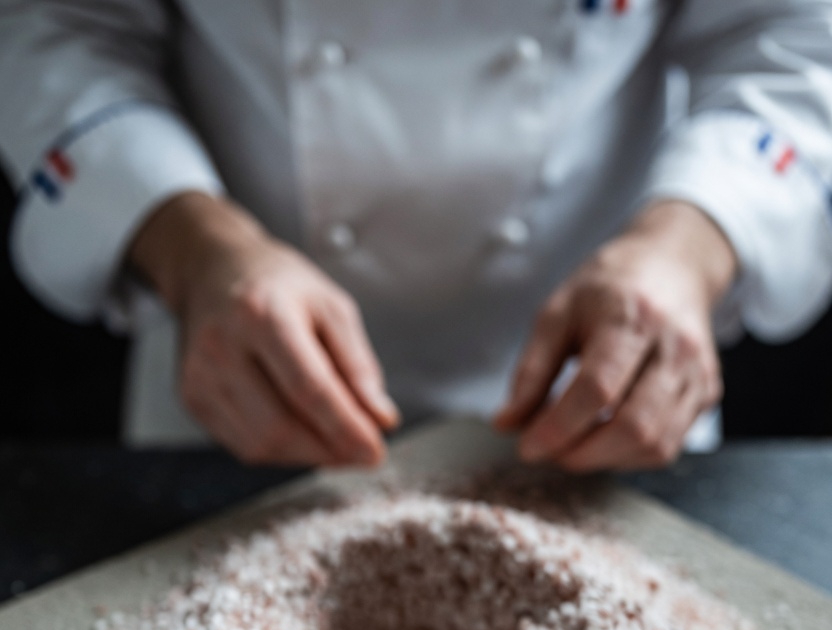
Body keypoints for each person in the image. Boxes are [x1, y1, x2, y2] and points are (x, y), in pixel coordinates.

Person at [1, 2, 831, 472]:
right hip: (237, 377)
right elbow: (56, 28)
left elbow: (793, 39)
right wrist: (193, 247)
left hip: (606, 386)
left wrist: (687, 245)